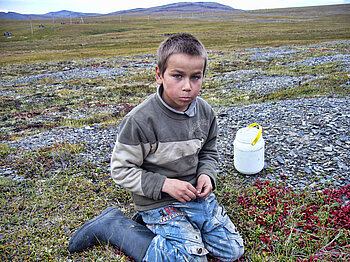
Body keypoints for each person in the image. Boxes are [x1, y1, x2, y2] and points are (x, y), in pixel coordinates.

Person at [68, 33, 244, 262]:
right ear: (159, 75)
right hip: (157, 202)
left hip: (195, 198)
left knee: (233, 251)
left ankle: (178, 230)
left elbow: (209, 151)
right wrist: (165, 185)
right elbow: (121, 170)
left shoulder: (205, 113)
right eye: (178, 76)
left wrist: (206, 175)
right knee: (191, 260)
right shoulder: (140, 121)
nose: (187, 87)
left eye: (196, 77)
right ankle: (114, 225)